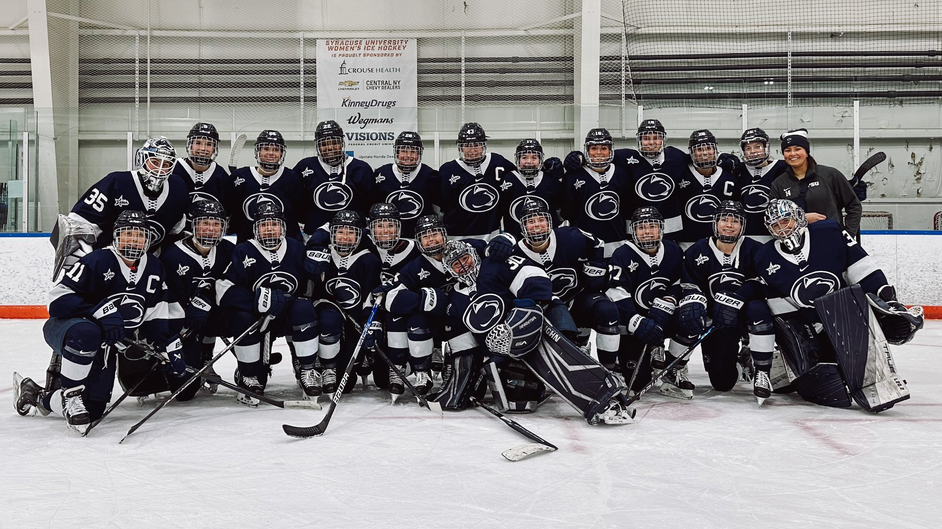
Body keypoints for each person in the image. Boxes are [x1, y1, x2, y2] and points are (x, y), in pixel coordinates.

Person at [15, 210, 185, 434]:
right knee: (88, 333)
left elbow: (156, 313)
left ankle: (36, 395)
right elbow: (57, 301)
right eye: (128, 234)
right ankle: (71, 395)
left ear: (148, 239)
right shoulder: (97, 260)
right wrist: (100, 311)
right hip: (69, 329)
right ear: (116, 236)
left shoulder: (154, 267)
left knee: (93, 410)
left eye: (140, 235)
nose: (134, 240)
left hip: (106, 346)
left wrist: (169, 343)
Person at [435, 240, 634, 424]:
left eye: (465, 259)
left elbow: (535, 278)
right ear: (448, 270)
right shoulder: (455, 300)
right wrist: (460, 388)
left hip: (538, 320)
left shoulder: (494, 265)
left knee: (558, 358)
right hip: (507, 350)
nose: (463, 266)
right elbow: (464, 349)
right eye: (455, 264)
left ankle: (605, 397)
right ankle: (538, 381)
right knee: (516, 403)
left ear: (473, 255)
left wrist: (523, 314)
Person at [754, 199, 921, 411]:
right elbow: (781, 308)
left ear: (798, 218)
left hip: (847, 315)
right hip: (815, 326)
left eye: (786, 220)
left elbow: (863, 269)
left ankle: (878, 371)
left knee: (843, 302)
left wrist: (887, 300)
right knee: (821, 371)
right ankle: (787, 367)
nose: (783, 228)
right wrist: (802, 339)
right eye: (776, 225)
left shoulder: (829, 232)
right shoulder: (764, 257)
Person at [215, 201, 322, 405]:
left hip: (289, 316)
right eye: (264, 225)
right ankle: (249, 374)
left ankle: (308, 370)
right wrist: (257, 300)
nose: (269, 229)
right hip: (258, 319)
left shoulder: (297, 248)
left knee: (304, 308)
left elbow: (309, 286)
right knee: (241, 316)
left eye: (274, 224)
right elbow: (223, 289)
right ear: (255, 229)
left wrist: (319, 272)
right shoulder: (243, 250)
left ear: (283, 227)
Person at [674, 200, 776, 404]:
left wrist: (738, 297)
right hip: (718, 320)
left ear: (743, 225)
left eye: (735, 221)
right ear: (715, 223)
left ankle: (762, 370)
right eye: (724, 220)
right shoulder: (697, 251)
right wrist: (697, 303)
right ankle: (679, 366)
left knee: (759, 309)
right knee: (723, 383)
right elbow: (689, 285)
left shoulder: (755, 249)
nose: (729, 225)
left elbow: (764, 283)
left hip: (745, 318)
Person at [51, 137, 188, 278]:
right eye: (154, 162)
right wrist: (90, 264)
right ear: (142, 159)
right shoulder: (116, 182)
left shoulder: (178, 189)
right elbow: (77, 225)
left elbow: (177, 234)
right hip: (108, 262)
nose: (160, 169)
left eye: (165, 164)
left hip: (147, 266)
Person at [511, 197, 619, 375]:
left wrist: (595, 268)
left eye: (541, 219)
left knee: (608, 311)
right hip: (544, 309)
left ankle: (610, 372)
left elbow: (597, 242)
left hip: (577, 299)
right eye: (530, 222)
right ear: (522, 226)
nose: (537, 225)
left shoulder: (570, 237)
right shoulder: (515, 252)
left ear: (550, 221)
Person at [605, 207, 686, 396]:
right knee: (638, 383)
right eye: (641, 227)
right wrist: (636, 321)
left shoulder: (673, 250)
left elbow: (680, 282)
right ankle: (634, 358)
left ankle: (673, 366)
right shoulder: (622, 254)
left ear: (661, 229)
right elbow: (615, 292)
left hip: (664, 317)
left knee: (691, 315)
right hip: (635, 326)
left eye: (652, 226)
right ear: (633, 231)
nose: (647, 231)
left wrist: (670, 298)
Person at [160, 198, 235, 394]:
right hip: (184, 323)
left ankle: (251, 370)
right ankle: (191, 360)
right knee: (185, 392)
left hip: (214, 315)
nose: (211, 229)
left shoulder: (228, 250)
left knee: (244, 316)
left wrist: (206, 300)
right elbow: (169, 297)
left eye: (216, 224)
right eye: (205, 223)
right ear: (193, 225)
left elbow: (233, 282)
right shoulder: (173, 255)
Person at [365, 203, 431, 401]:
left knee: (406, 317)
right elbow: (329, 228)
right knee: (381, 380)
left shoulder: (416, 248)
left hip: (405, 314)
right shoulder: (363, 245)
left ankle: (420, 366)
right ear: (370, 228)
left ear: (400, 227)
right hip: (375, 312)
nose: (385, 231)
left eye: (390, 225)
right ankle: (369, 361)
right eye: (379, 225)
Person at [312, 210, 382, 396]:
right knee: (328, 318)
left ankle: (364, 359)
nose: (345, 237)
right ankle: (326, 368)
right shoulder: (322, 257)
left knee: (349, 385)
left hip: (355, 323)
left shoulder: (369, 260)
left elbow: (369, 297)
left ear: (359, 235)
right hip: (330, 319)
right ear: (332, 233)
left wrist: (369, 323)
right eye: (340, 232)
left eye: (351, 232)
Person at [769, 128, 863, 239]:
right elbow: (775, 218)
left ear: (807, 152)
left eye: (797, 149)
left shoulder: (830, 175)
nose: (792, 154)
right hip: (796, 246)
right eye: (788, 150)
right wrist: (801, 218)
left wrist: (848, 235)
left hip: (831, 241)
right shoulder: (779, 184)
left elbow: (854, 206)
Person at [561, 128, 633, 258]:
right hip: (585, 245)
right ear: (587, 150)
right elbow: (568, 213)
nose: (599, 152)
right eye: (594, 148)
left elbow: (627, 209)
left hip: (618, 243)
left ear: (610, 150)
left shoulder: (621, 174)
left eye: (603, 148)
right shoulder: (572, 177)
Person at [294, 120, 374, 236]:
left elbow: (369, 206)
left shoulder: (361, 169)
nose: (330, 147)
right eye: (324, 144)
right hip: (315, 235)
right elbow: (297, 202)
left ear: (342, 143)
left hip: (352, 237)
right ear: (317, 145)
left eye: (334, 142)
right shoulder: (304, 167)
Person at [438, 122, 516, 240]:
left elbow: (520, 176)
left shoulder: (498, 162)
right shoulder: (447, 170)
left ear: (483, 145)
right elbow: (439, 208)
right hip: (455, 238)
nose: (472, 150)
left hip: (491, 236)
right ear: (460, 147)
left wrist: (546, 171)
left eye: (476, 144)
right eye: (467, 145)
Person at [229, 130, 306, 244]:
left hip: (285, 247)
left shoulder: (291, 177)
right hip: (248, 246)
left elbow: (299, 213)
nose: (271, 153)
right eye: (266, 149)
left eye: (276, 149)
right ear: (258, 151)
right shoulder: (240, 177)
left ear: (281, 153)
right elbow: (232, 210)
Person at [615, 118, 687, 240]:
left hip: (671, 230)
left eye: (656, 138)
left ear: (663, 139)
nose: (651, 142)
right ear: (639, 140)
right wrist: (579, 158)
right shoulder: (624, 158)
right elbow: (600, 157)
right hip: (638, 230)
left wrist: (724, 158)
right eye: (646, 138)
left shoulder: (676, 157)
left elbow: (700, 160)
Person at [674, 129, 739, 247]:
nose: (704, 153)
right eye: (699, 149)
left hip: (719, 242)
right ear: (691, 152)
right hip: (687, 241)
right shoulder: (680, 175)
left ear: (715, 149)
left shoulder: (729, 178)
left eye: (708, 148)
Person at [371, 131, 438, 238]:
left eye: (413, 151)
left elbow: (438, 210)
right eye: (403, 151)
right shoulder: (381, 174)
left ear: (419, 154)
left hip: (423, 238)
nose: (408, 155)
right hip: (389, 238)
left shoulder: (431, 175)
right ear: (396, 152)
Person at [501, 139, 565, 242]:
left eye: (534, 157)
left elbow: (562, 211)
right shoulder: (508, 179)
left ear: (540, 160)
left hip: (547, 241)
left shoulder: (551, 182)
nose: (529, 162)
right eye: (524, 157)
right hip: (516, 240)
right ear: (518, 159)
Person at [734, 128, 787, 243]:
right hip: (745, 236)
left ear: (765, 147)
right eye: (748, 148)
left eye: (757, 147)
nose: (753, 151)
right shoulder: (737, 170)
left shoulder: (782, 168)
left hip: (776, 234)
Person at [172, 122, 234, 215]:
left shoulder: (221, 175)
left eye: (209, 144)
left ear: (214, 148)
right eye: (198, 143)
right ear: (190, 145)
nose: (203, 148)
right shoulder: (173, 169)